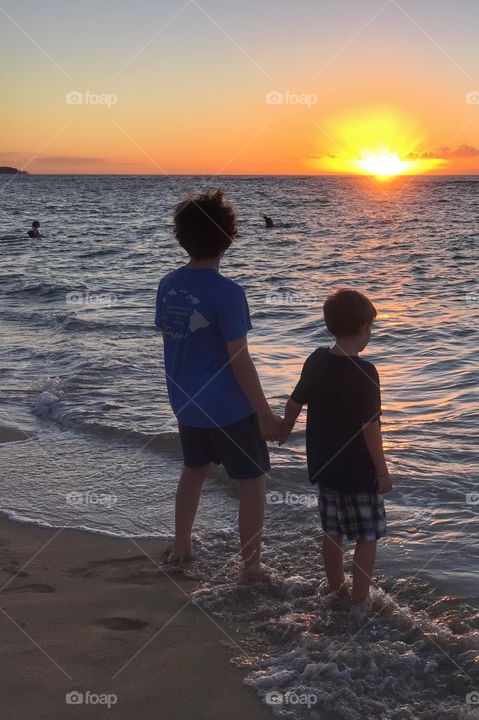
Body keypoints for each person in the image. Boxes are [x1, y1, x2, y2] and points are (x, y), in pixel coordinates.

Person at [154, 189, 281, 581]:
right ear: (229, 238)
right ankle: (251, 564)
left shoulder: (168, 285)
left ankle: (181, 545)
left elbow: (172, 339)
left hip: (186, 402)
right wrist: (264, 412)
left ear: (182, 238)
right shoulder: (229, 293)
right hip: (228, 406)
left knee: (194, 469)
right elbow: (238, 358)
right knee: (252, 481)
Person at [280, 288, 392, 605]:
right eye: (370, 327)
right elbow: (370, 427)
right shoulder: (366, 373)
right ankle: (359, 601)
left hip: (324, 466)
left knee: (333, 530)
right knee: (366, 535)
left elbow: (293, 403)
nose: (370, 333)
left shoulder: (316, 360)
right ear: (362, 329)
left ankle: (334, 589)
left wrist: (285, 431)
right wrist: (382, 472)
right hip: (358, 473)